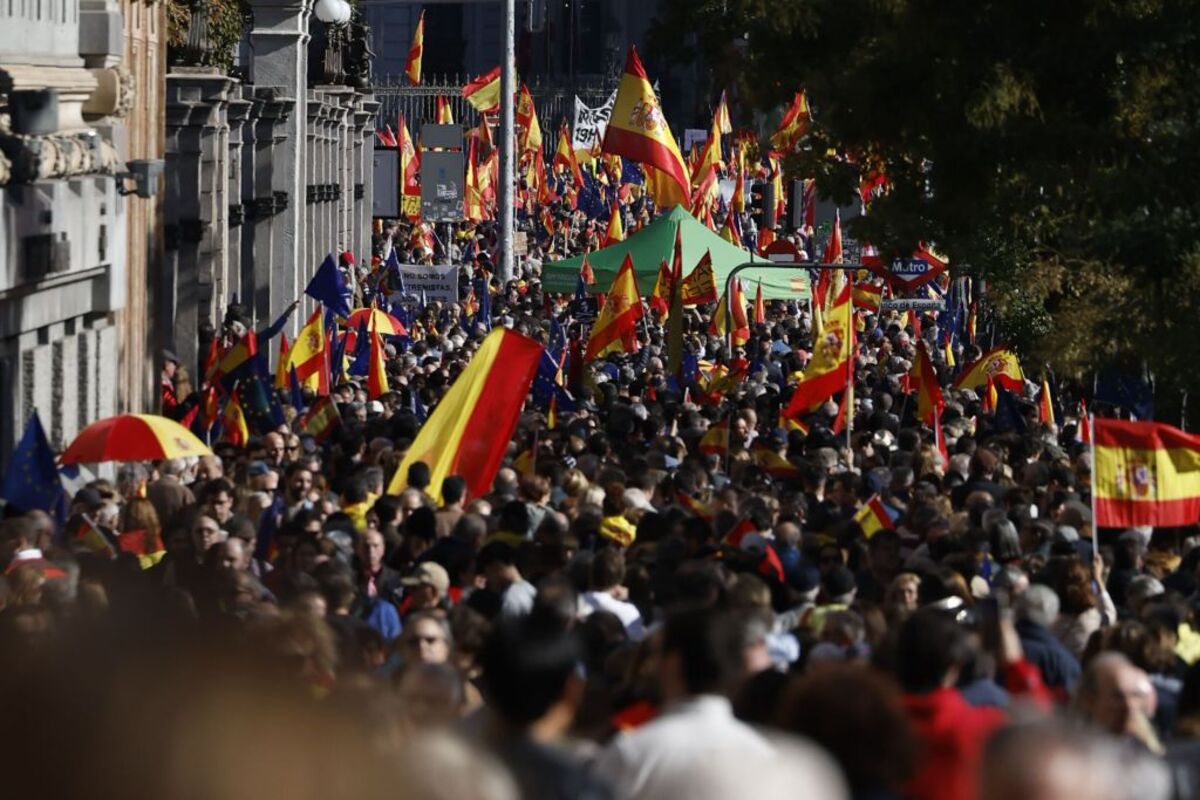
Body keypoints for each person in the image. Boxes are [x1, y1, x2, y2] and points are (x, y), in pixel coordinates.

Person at [594, 608, 774, 800]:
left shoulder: (632, 752)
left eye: (656, 653)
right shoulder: (765, 756)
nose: (650, 667)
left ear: (673, 663)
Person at [579, 548, 645, 641]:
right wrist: (626, 601)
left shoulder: (572, 603)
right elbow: (636, 645)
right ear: (621, 579)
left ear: (591, 573)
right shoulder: (631, 612)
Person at [476, 542, 536, 618]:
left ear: (497, 566)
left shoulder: (510, 601)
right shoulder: (531, 589)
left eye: (487, 573)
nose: (488, 579)